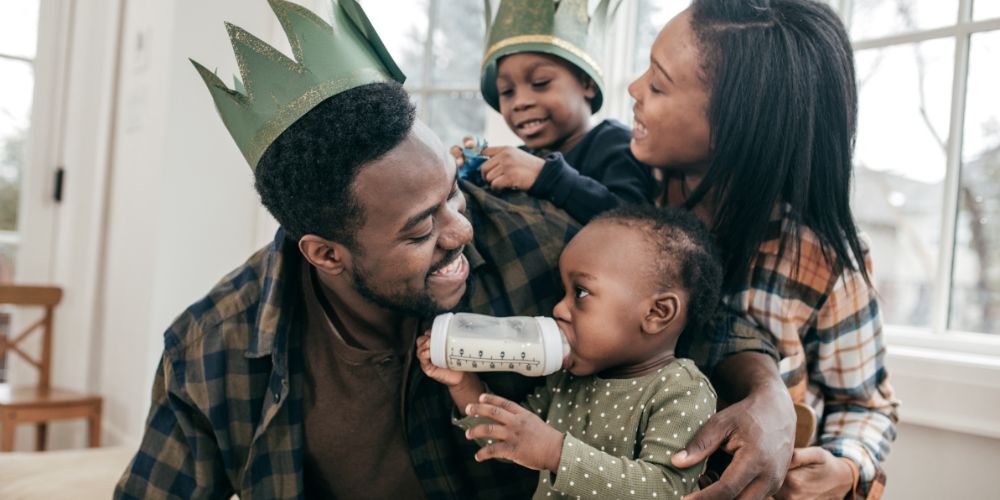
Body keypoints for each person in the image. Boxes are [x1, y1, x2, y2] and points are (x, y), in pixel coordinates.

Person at [115, 0, 794, 498]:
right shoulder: (215, 349)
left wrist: (769, 399)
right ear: (325, 254)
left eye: (453, 197)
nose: (460, 231)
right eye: (419, 230)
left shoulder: (530, 237)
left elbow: (693, 311)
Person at [627, 1, 900, 498]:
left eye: (659, 83)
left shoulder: (823, 260)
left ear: (738, 126)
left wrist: (846, 469)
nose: (633, 89)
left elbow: (866, 406)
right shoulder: (620, 202)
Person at [417, 205, 722, 499]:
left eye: (581, 292)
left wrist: (554, 452)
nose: (559, 308)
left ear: (657, 313)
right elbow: (511, 438)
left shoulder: (682, 390)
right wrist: (462, 382)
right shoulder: (567, 381)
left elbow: (665, 490)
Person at [461, 0, 655, 223]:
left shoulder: (615, 143)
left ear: (587, 84)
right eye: (507, 91)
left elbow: (636, 223)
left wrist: (546, 177)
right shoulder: (525, 155)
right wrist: (476, 168)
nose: (520, 102)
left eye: (540, 82)